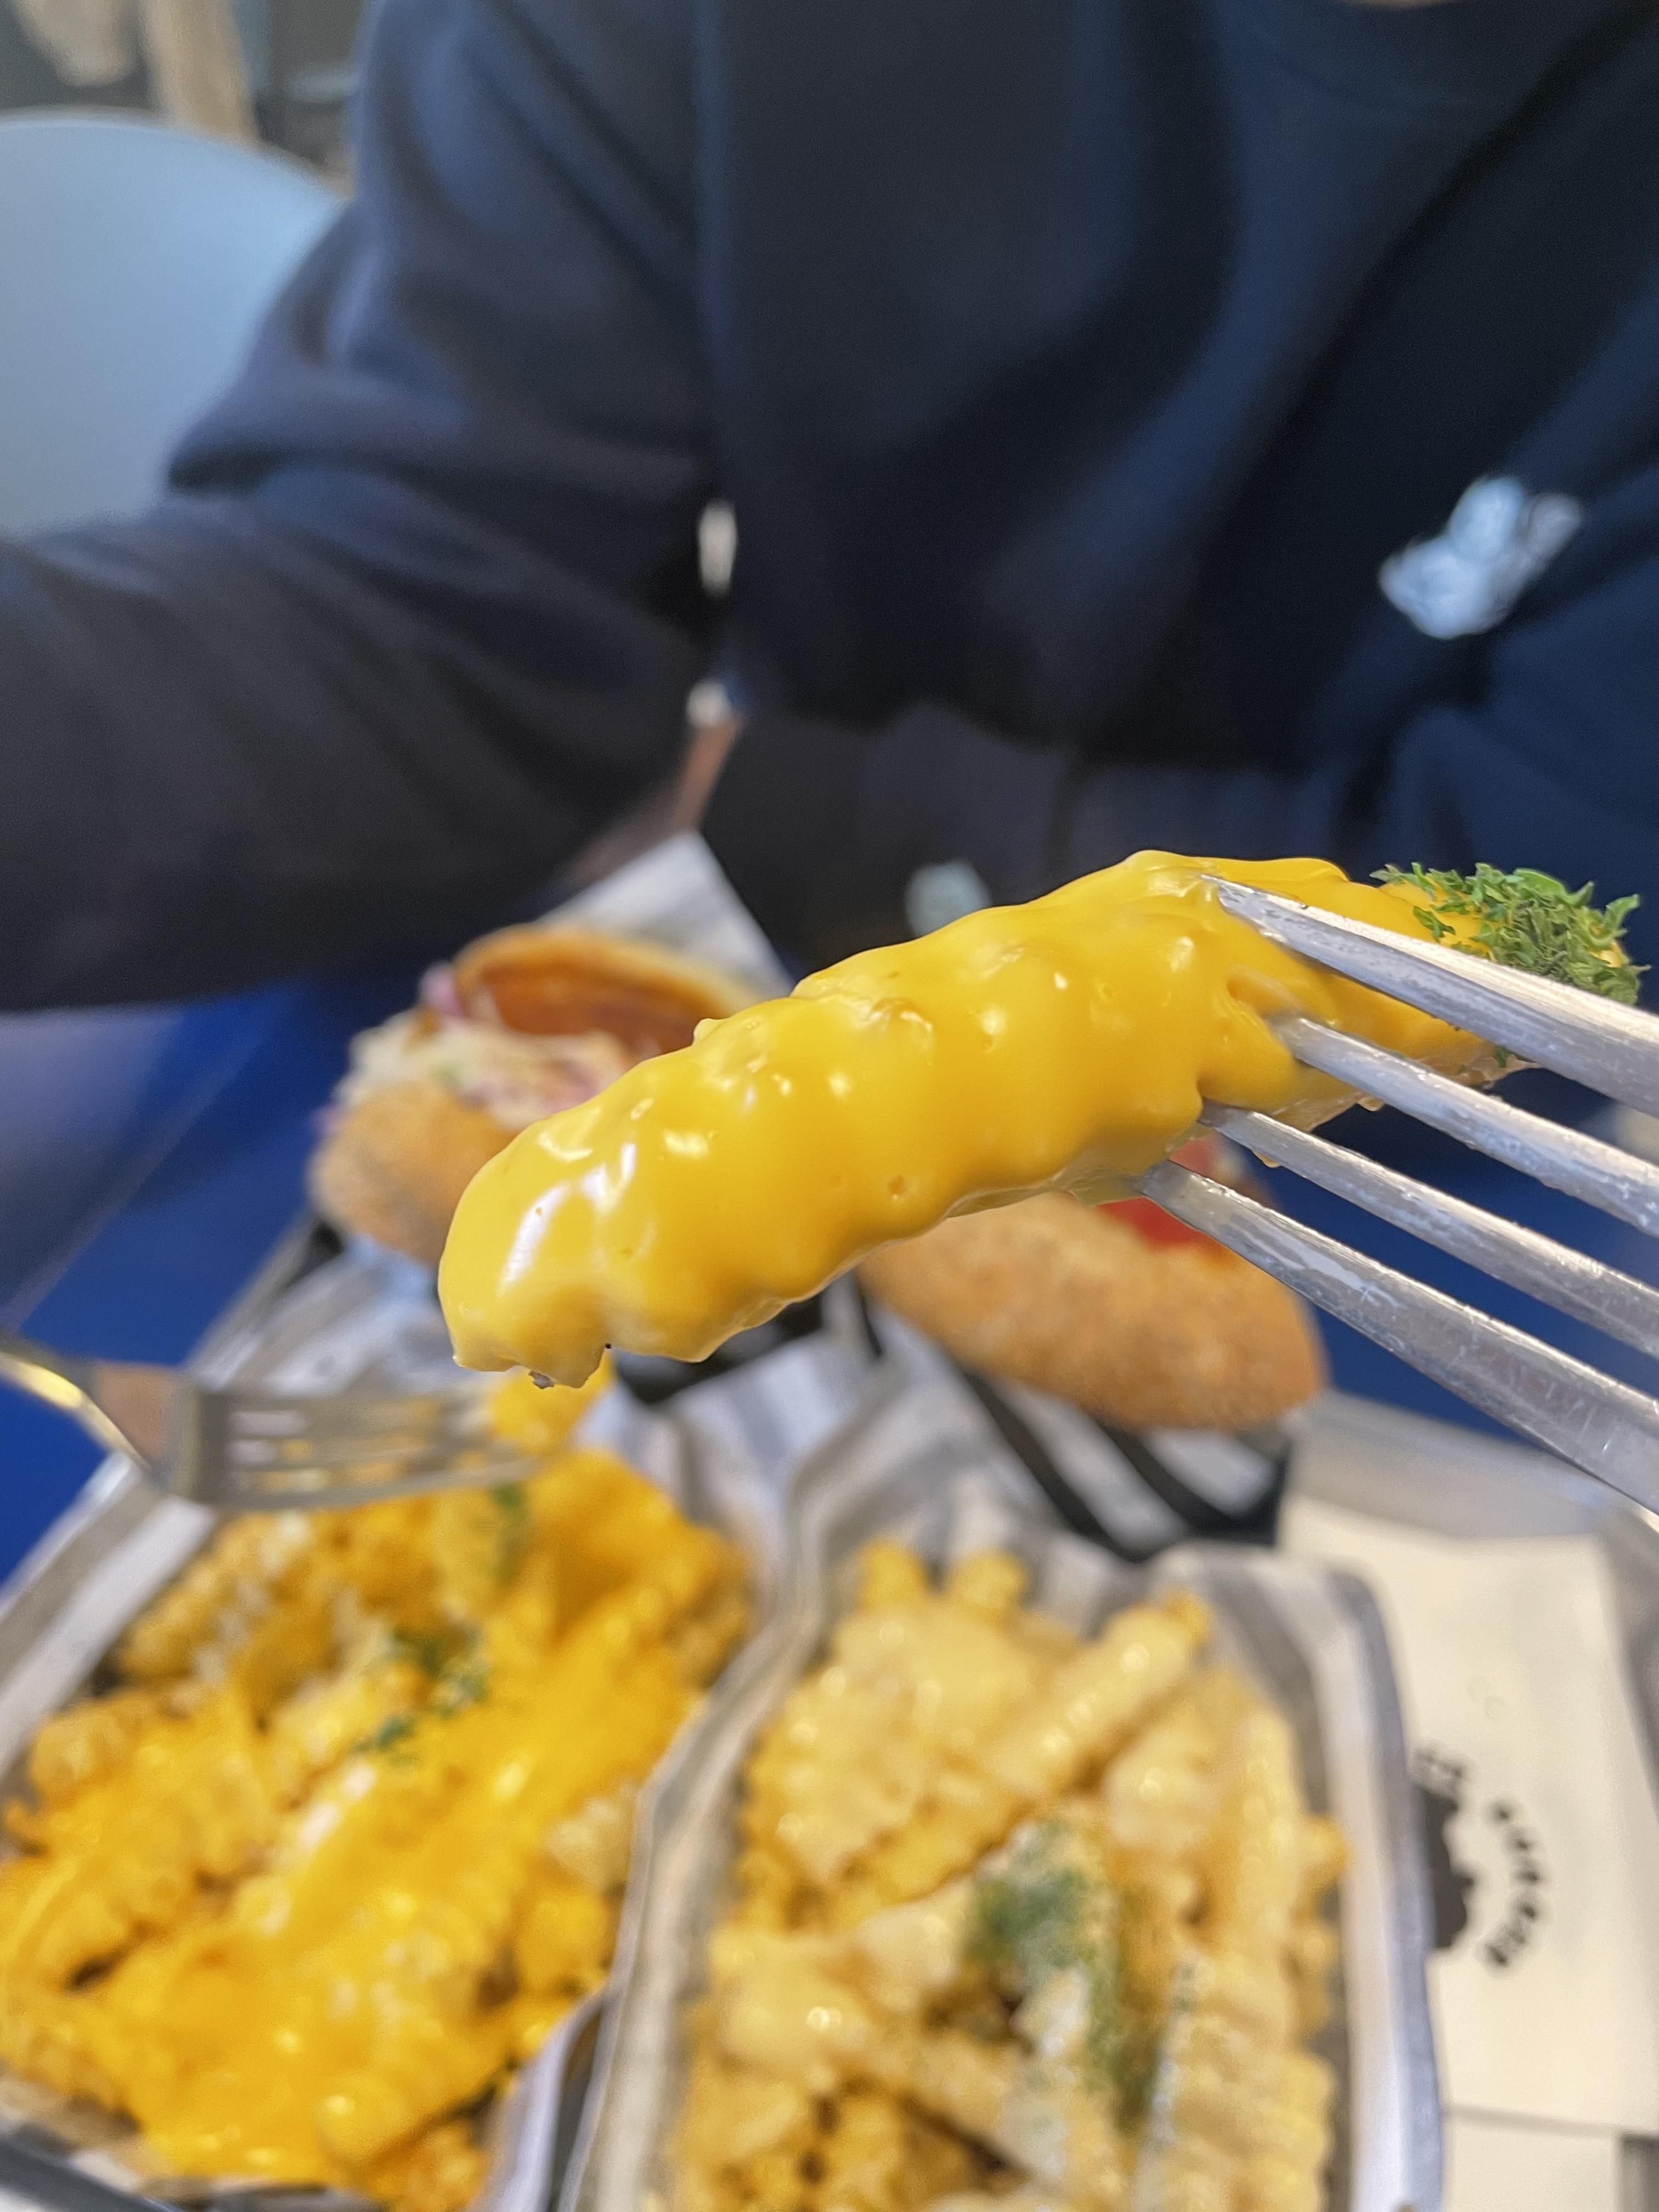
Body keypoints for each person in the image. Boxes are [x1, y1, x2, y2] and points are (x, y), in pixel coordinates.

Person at [7, 0, 1659, 1008]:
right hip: (787, 969)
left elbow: (1568, 932)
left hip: (1428, 1201)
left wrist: (773, 804)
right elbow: (426, 609)